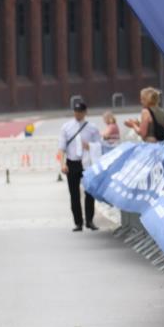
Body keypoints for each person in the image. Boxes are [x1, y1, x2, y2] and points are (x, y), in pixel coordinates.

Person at [59, 99, 102, 231]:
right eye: (76, 111)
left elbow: (99, 145)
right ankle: (78, 222)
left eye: (80, 112)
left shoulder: (92, 128)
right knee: (74, 194)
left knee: (89, 192)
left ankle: (89, 220)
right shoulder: (66, 127)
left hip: (87, 163)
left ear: (85, 112)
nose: (78, 114)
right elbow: (61, 148)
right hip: (72, 162)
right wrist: (62, 164)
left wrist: (90, 146)